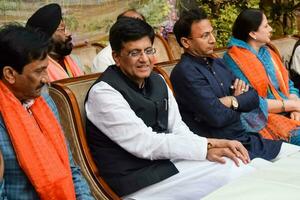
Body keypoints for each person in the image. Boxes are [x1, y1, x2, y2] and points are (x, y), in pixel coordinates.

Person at [85, 17, 255, 199]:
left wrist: (205, 152)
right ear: (117, 57)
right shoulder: (103, 93)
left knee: (240, 165)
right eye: (134, 53)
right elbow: (146, 144)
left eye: (148, 50)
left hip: (166, 167)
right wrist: (208, 145)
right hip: (135, 182)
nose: (144, 59)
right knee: (233, 174)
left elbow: (179, 129)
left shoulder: (158, 81)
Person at [169, 8, 298, 161]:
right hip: (223, 147)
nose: (213, 40)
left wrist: (231, 101)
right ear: (186, 42)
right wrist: (239, 103)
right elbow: (217, 117)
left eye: (212, 33)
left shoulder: (217, 63)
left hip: (245, 139)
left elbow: (253, 96)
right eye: (205, 36)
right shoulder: (185, 72)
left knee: (294, 156)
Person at [0, 24, 94, 199]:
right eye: (39, 71)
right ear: (10, 74)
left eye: (46, 68)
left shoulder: (44, 101)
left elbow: (71, 169)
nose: (46, 79)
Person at [223, 8, 300, 145]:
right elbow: (252, 101)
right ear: (253, 33)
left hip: (289, 108)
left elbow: (290, 86)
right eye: (265, 26)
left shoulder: (268, 52)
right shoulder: (234, 59)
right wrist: (292, 105)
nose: (270, 29)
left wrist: (295, 107)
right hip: (264, 118)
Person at [26, 3, 84, 81]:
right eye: (62, 29)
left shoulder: (75, 60)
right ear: (47, 37)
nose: (69, 33)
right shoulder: (40, 70)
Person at [91, 9, 146, 73]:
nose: (144, 59)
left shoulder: (149, 51)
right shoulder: (103, 59)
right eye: (130, 24)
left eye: (140, 25)